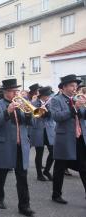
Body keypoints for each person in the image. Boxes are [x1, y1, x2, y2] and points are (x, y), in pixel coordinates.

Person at [0, 78, 35, 216]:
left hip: (21, 145)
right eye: (12, 91)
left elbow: (30, 123)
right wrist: (7, 112)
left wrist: (28, 114)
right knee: (1, 174)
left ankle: (24, 206)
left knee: (22, 177)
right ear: (5, 92)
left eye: (16, 91)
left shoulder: (22, 104)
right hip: (4, 144)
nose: (15, 93)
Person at [50, 74, 86, 204]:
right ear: (64, 87)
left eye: (76, 86)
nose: (74, 88)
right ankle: (56, 194)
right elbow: (57, 117)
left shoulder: (78, 98)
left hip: (79, 136)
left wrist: (82, 107)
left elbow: (83, 116)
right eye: (72, 85)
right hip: (64, 138)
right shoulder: (56, 100)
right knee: (59, 167)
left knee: (84, 167)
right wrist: (75, 107)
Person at [29, 86, 55, 181]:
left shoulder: (51, 102)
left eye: (48, 95)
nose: (48, 97)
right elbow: (33, 118)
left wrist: (47, 112)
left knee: (53, 152)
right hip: (38, 130)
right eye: (46, 96)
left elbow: (54, 115)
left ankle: (46, 170)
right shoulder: (34, 103)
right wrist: (40, 111)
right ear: (42, 96)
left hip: (49, 130)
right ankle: (39, 174)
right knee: (39, 153)